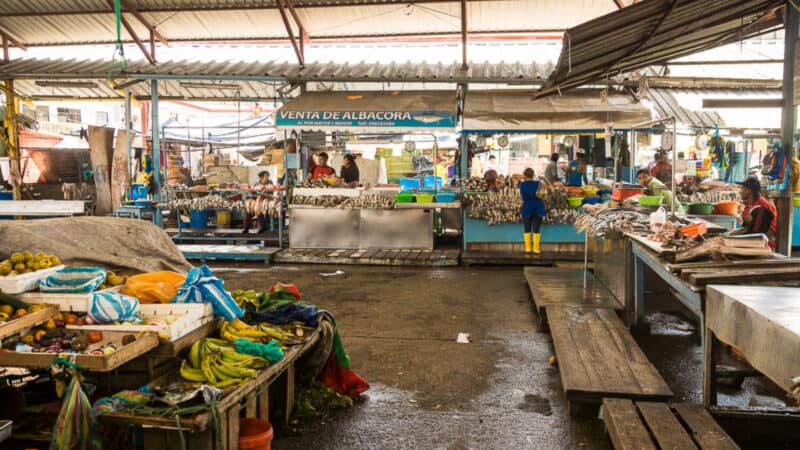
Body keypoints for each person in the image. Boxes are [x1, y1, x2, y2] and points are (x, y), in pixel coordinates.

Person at [732, 177, 777, 249]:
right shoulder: (748, 204)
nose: (740, 191)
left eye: (742, 189)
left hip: (765, 245)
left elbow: (758, 233)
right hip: (755, 239)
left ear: (749, 190)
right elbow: (747, 227)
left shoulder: (762, 207)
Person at [520, 168, 545, 255]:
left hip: (527, 208)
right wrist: (545, 179)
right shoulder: (539, 183)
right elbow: (551, 189)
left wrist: (522, 177)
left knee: (527, 228)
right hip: (538, 208)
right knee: (536, 229)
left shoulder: (522, 185)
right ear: (533, 175)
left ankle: (527, 249)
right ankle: (536, 249)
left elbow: (514, 176)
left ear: (525, 175)